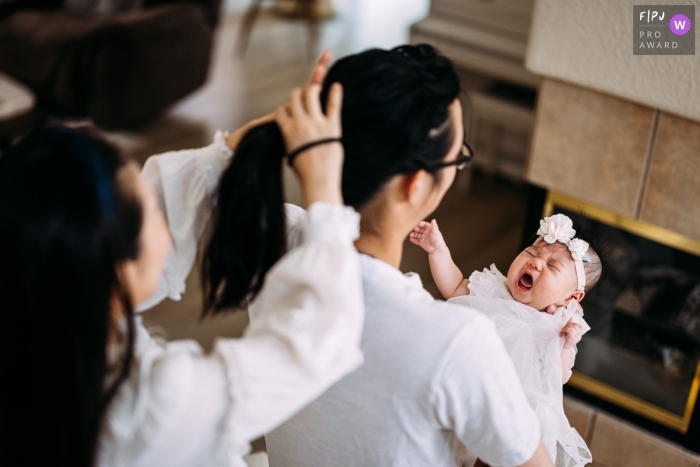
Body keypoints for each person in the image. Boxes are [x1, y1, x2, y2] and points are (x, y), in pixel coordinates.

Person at [205, 43, 556, 467]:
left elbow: (218, 174)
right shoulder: (457, 344)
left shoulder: (274, 241)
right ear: (415, 186)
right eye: (456, 157)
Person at [0, 61, 366, 467]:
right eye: (153, 215)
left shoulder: (40, 303)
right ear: (118, 268)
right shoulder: (147, 408)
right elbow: (317, 337)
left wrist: (257, 136)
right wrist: (324, 191)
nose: (164, 215)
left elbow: (161, 190)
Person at [412, 213, 611, 466]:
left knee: (491, 456)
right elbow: (454, 288)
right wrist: (438, 251)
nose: (536, 263)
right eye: (531, 253)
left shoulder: (558, 325)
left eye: (551, 267)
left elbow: (556, 377)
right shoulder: (494, 289)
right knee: (446, 446)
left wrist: (566, 344)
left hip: (513, 413)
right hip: (469, 386)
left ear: (571, 298)